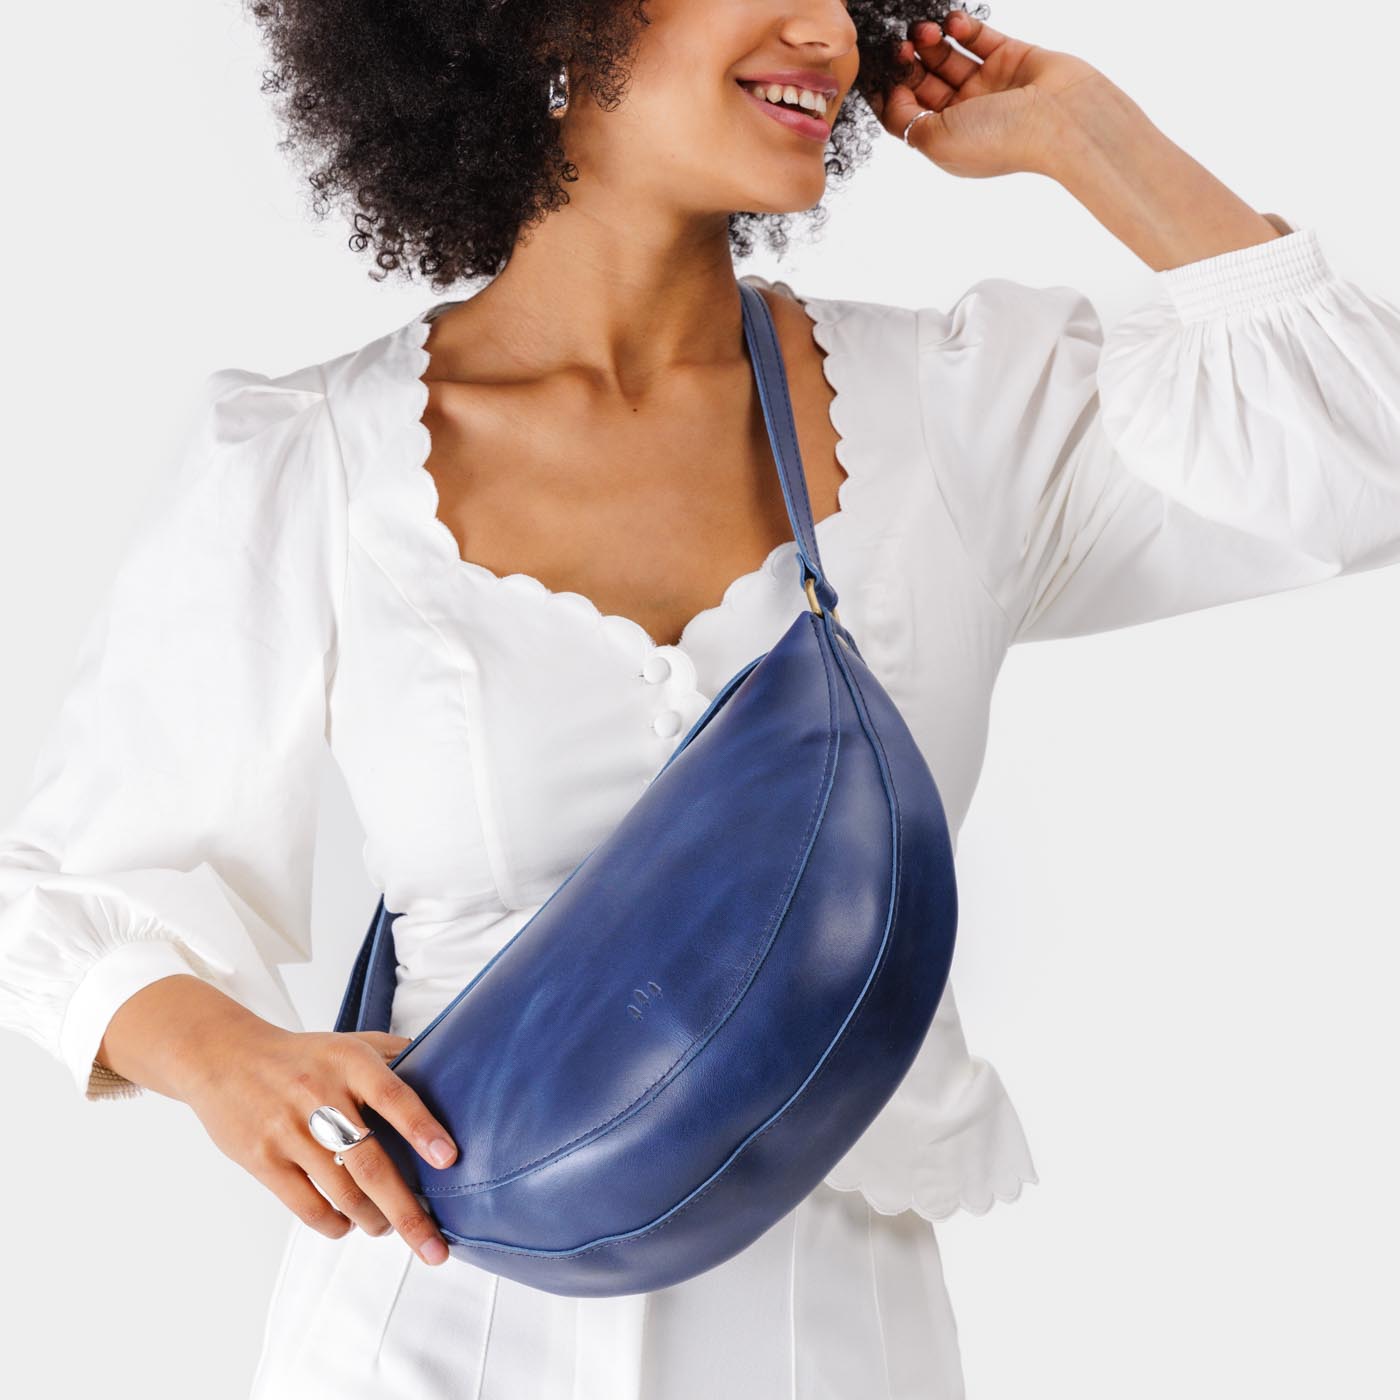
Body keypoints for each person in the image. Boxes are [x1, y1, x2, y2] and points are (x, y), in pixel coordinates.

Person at [2, 1, 1398, 1394]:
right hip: (432, 1314)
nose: (827, 32)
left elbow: (1364, 468)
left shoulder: (955, 415)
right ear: (538, 24)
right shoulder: (315, 458)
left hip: (825, 1340)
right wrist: (227, 1059)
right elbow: (67, 887)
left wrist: (1097, 139)